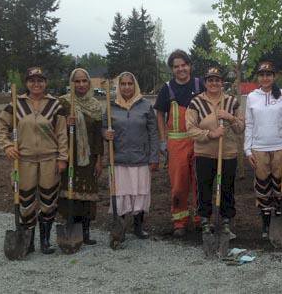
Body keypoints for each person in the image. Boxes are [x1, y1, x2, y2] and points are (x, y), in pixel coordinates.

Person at [0, 66, 68, 254]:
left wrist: (62, 158)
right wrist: (7, 146)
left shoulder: (55, 105)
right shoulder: (15, 103)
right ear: (26, 83)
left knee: (48, 200)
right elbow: (2, 127)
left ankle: (45, 241)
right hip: (24, 160)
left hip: (49, 159)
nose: (36, 84)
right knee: (25, 201)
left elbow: (62, 134)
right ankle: (28, 241)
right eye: (32, 80)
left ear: (45, 82)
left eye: (40, 80)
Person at [186, 67, 244, 238]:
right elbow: (190, 129)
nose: (214, 83)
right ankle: (205, 222)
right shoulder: (196, 103)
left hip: (227, 154)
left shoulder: (232, 102)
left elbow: (240, 128)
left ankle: (225, 224)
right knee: (204, 188)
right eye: (210, 80)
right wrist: (211, 134)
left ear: (222, 82)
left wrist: (230, 117)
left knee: (227, 189)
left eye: (217, 80)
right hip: (204, 154)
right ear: (205, 82)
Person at [154, 50, 205, 237]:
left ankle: (201, 219)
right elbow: (159, 113)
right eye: (176, 66)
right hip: (176, 142)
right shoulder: (167, 89)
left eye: (184, 65)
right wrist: (162, 140)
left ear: (189, 65)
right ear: (172, 69)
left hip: (200, 140)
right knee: (178, 184)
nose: (181, 69)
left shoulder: (200, 85)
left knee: (200, 181)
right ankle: (180, 221)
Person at [104, 72, 159, 240]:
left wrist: (154, 157)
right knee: (120, 193)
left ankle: (138, 226)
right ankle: (119, 227)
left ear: (135, 85)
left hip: (140, 159)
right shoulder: (110, 106)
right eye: (123, 84)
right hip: (119, 159)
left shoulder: (145, 106)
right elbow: (103, 127)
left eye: (130, 84)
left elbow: (153, 133)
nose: (126, 87)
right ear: (118, 86)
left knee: (139, 193)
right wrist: (105, 133)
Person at [244, 61, 282, 238]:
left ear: (274, 77)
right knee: (263, 185)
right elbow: (249, 124)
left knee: (280, 184)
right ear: (258, 77)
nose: (265, 78)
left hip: (280, 146)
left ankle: (280, 217)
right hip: (259, 147)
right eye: (262, 75)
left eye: (269, 75)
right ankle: (266, 223)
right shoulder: (252, 97)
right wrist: (247, 150)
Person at [57, 68, 104, 245]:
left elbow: (98, 136)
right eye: (77, 81)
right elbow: (53, 129)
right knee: (69, 192)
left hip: (89, 158)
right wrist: (64, 122)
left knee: (87, 194)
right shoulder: (63, 103)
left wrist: (99, 160)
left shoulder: (95, 106)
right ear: (71, 83)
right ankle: (71, 227)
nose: (81, 84)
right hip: (69, 156)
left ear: (89, 83)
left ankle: (85, 232)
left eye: (84, 81)